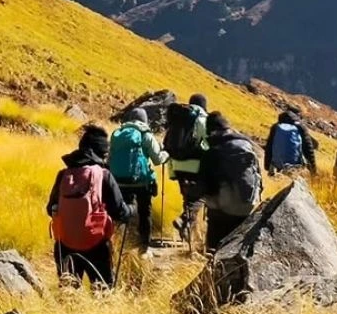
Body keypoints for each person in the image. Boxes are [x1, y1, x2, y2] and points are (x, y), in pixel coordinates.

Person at [47, 125, 134, 288]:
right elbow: (120, 212)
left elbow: (50, 208)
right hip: (97, 245)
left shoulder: (64, 174)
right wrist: (132, 208)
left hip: (65, 246)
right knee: (103, 292)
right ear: (102, 153)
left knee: (68, 295)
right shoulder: (103, 175)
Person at [109, 108, 169, 255]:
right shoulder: (146, 135)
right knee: (144, 212)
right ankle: (144, 248)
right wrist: (166, 153)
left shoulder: (117, 134)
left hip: (119, 181)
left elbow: (110, 157)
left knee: (123, 212)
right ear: (144, 120)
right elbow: (157, 159)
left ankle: (118, 245)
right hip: (141, 181)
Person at [200, 112, 262, 252]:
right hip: (248, 203)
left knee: (215, 243)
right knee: (239, 242)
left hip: (223, 210)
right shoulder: (246, 144)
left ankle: (213, 258)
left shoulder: (212, 150)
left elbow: (205, 185)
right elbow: (257, 174)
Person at [164, 94, 209, 240]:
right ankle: (184, 220)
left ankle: (188, 232)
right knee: (202, 195)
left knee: (188, 198)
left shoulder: (178, 117)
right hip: (195, 165)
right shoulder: (201, 118)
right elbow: (208, 143)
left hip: (177, 164)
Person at [264, 109, 318, 176]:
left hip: (277, 164)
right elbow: (308, 149)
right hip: (295, 165)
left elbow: (269, 147)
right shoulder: (300, 127)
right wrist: (313, 171)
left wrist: (267, 166)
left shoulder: (276, 127)